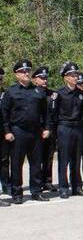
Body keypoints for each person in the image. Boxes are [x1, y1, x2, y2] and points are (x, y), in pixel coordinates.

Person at [1, 60, 50, 203]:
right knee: (16, 163)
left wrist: (47, 128)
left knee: (36, 163)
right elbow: (4, 114)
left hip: (35, 132)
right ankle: (17, 193)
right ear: (16, 74)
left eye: (28, 71)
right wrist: (7, 131)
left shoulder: (37, 91)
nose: (26, 73)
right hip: (18, 131)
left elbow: (45, 113)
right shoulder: (11, 92)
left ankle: (36, 191)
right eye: (23, 71)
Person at [51, 62, 83, 198]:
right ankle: (63, 187)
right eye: (72, 75)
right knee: (64, 159)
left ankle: (77, 186)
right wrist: (55, 132)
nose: (75, 77)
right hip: (64, 128)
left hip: (78, 128)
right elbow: (53, 114)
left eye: (76, 75)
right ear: (65, 77)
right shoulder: (59, 94)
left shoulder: (81, 93)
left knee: (76, 159)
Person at [32, 66, 58, 193]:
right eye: (42, 78)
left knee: (48, 157)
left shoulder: (52, 94)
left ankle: (47, 181)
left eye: (46, 78)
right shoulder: (31, 93)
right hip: (37, 130)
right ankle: (37, 183)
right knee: (36, 158)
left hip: (50, 129)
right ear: (35, 80)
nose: (45, 80)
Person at [0, 66, 11, 200]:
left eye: (1, 78)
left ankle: (6, 184)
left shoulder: (5, 93)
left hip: (3, 130)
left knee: (4, 160)